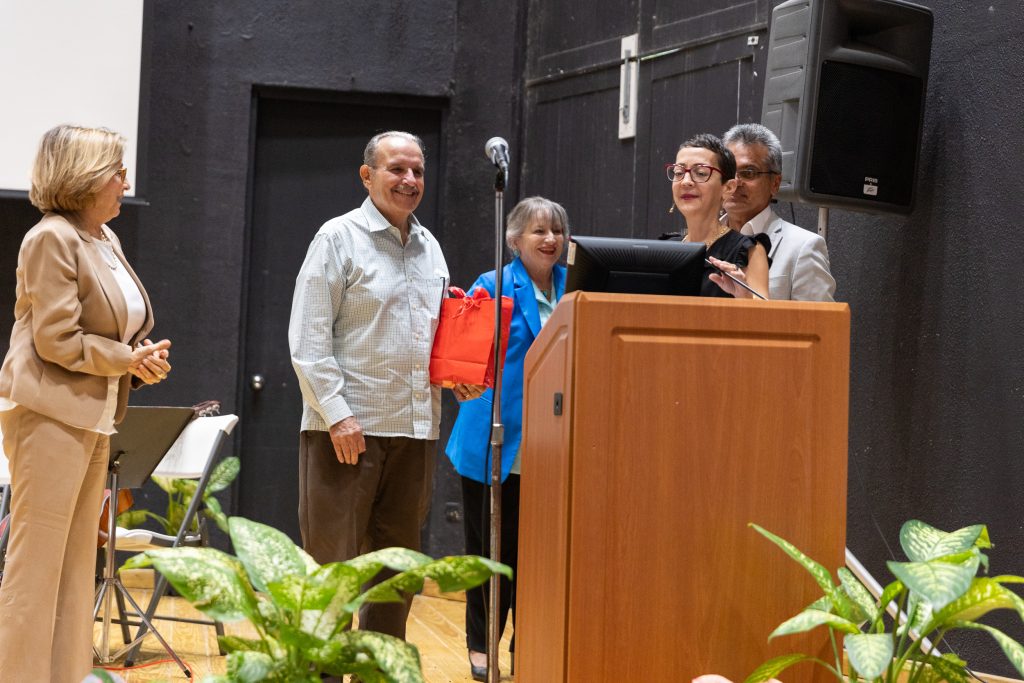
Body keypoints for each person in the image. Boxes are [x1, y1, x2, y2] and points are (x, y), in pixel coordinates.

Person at [288, 131, 481, 641]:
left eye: (417, 171)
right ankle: (323, 680)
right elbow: (307, 340)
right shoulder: (336, 238)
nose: (410, 180)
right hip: (345, 430)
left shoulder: (429, 247)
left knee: (397, 573)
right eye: (397, 169)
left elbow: (429, 333)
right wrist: (337, 414)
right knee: (334, 573)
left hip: (415, 430)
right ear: (367, 175)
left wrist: (454, 372)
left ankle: (377, 673)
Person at [0, 124, 172, 683]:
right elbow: (56, 340)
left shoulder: (102, 238)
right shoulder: (51, 237)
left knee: (77, 569)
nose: (126, 181)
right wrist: (123, 359)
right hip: (48, 415)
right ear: (84, 177)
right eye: (117, 171)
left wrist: (136, 365)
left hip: (91, 416)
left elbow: (103, 338)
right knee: (36, 570)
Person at [445, 196, 569, 681]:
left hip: (555, 445)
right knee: (489, 554)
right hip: (495, 440)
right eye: (538, 231)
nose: (550, 239)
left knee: (541, 556)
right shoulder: (493, 285)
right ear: (515, 239)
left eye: (557, 230)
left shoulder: (575, 288)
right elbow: (464, 361)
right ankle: (482, 647)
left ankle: (530, 643)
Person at [722, 123, 836, 301]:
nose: (735, 182)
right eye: (728, 172)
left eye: (748, 173)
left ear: (775, 183)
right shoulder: (701, 241)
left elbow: (817, 326)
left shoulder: (803, 247)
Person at [667, 133, 770, 299]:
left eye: (700, 173)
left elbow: (762, 321)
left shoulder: (748, 251)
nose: (686, 181)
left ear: (728, 188)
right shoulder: (666, 249)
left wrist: (744, 296)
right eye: (679, 172)